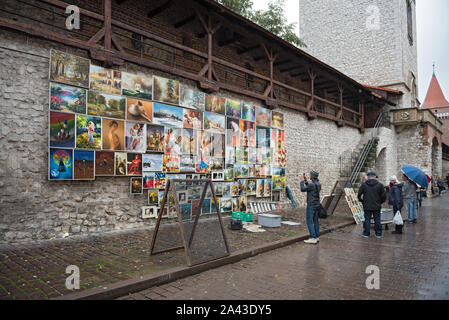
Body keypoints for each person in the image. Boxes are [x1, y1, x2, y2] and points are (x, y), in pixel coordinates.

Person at [357, 171, 387, 238]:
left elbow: (359, 195)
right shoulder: (380, 185)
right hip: (376, 205)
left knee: (367, 219)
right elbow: (384, 197)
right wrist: (380, 202)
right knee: (377, 219)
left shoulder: (364, 185)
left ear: (368, 177)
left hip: (367, 205)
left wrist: (363, 201)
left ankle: (366, 233)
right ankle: (378, 234)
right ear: (375, 177)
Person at [300, 170, 321, 244]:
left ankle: (313, 237)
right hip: (317, 204)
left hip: (311, 205)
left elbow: (303, 189)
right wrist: (306, 182)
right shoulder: (318, 184)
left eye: (310, 175)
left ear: (312, 176)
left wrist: (302, 181)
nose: (309, 176)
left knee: (309, 221)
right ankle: (317, 236)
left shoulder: (312, 185)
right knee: (315, 221)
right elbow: (310, 188)